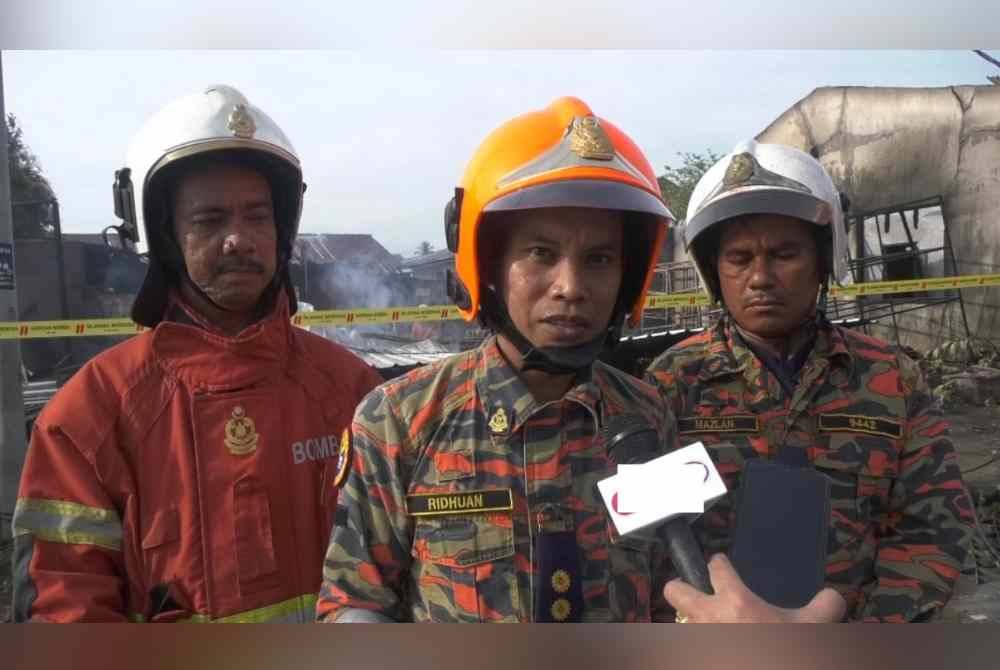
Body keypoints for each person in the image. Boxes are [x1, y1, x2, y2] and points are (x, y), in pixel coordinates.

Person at [315, 99, 844, 623]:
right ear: (490, 265)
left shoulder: (648, 416)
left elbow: (673, 590)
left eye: (599, 259)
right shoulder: (399, 422)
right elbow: (355, 603)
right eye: (541, 254)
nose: (571, 288)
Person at [11, 85, 383, 622]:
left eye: (257, 216)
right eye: (209, 221)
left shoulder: (354, 391)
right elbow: (65, 613)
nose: (240, 239)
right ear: (164, 238)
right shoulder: (88, 419)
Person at [645, 140, 974, 623]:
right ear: (714, 272)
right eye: (739, 258)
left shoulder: (891, 379)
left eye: (784, 254)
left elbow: (934, 524)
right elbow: (644, 542)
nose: (760, 277)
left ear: (822, 261)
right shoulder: (669, 385)